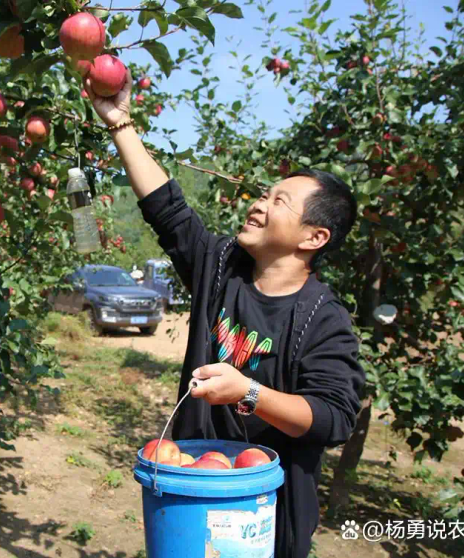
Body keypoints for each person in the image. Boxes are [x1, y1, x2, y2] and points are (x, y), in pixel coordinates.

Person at [84, 69, 366, 558]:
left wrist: (249, 393)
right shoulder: (220, 269)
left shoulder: (324, 318)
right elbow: (167, 210)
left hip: (263, 515)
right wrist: (119, 123)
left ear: (313, 238)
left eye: (278, 201)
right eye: (263, 194)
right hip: (193, 491)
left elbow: (334, 417)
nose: (258, 206)